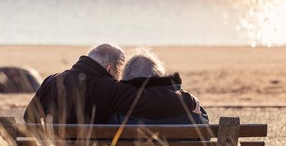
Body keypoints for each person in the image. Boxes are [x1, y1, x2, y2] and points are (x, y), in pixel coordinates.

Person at [23, 43, 201, 124]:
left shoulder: (51, 81)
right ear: (109, 69)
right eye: (117, 74)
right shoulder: (108, 89)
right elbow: (150, 99)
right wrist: (188, 100)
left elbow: (29, 119)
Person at [107, 48, 209, 125]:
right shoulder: (190, 110)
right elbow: (205, 135)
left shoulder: (118, 117)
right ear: (160, 75)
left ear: (126, 78)